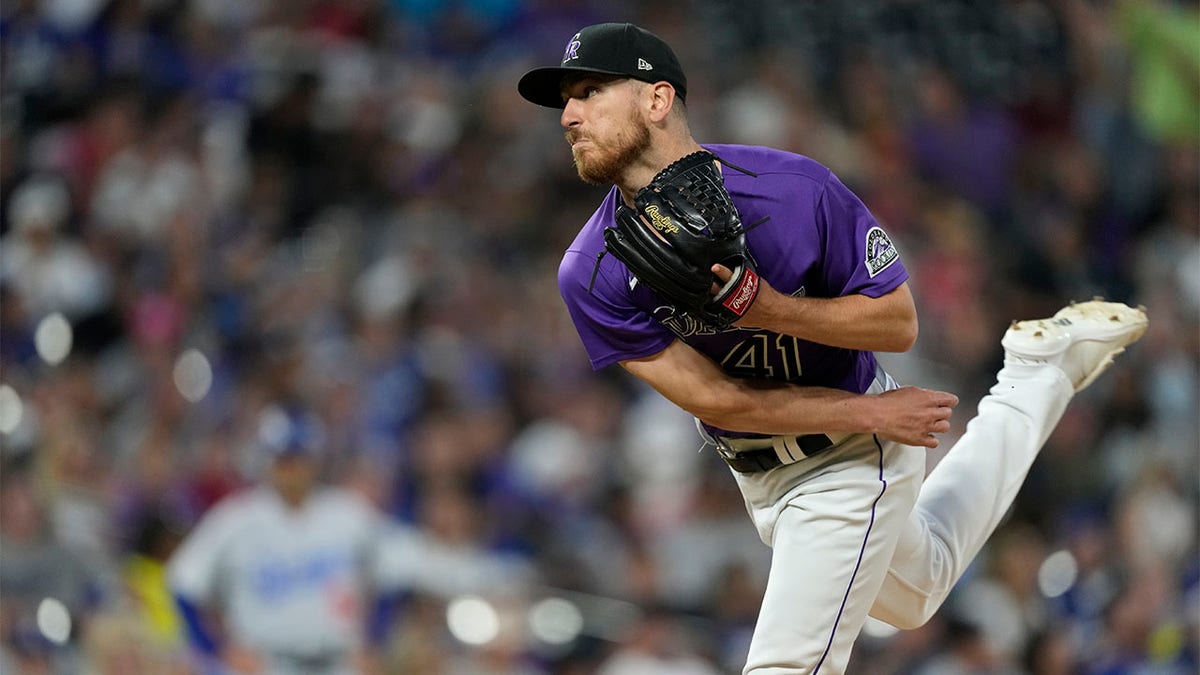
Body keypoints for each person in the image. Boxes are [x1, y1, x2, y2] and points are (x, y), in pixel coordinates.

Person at [516, 22, 1148, 674]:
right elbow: (716, 398)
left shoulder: (792, 191)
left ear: (656, 100)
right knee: (919, 585)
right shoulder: (590, 268)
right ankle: (1034, 379)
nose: (568, 115)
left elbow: (898, 322)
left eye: (589, 91)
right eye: (565, 99)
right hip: (780, 460)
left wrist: (770, 310)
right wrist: (870, 414)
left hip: (846, 459)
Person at [167, 403, 388, 675]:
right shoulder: (236, 519)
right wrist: (218, 649)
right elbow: (182, 583)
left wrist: (376, 639)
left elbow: (393, 574)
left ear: (315, 460)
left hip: (339, 662)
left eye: (299, 458)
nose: (292, 469)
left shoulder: (348, 513)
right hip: (268, 664)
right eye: (284, 459)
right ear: (268, 461)